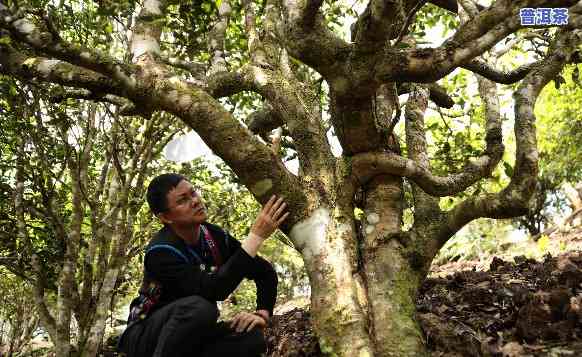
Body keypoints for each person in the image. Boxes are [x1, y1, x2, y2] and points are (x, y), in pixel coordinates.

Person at [117, 173, 289, 357]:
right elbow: (215, 289)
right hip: (145, 336)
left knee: (252, 338)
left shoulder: (214, 236)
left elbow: (264, 272)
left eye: (193, 193)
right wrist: (256, 237)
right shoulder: (160, 252)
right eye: (183, 200)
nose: (195, 201)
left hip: (190, 335)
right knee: (200, 308)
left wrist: (262, 315)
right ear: (166, 217)